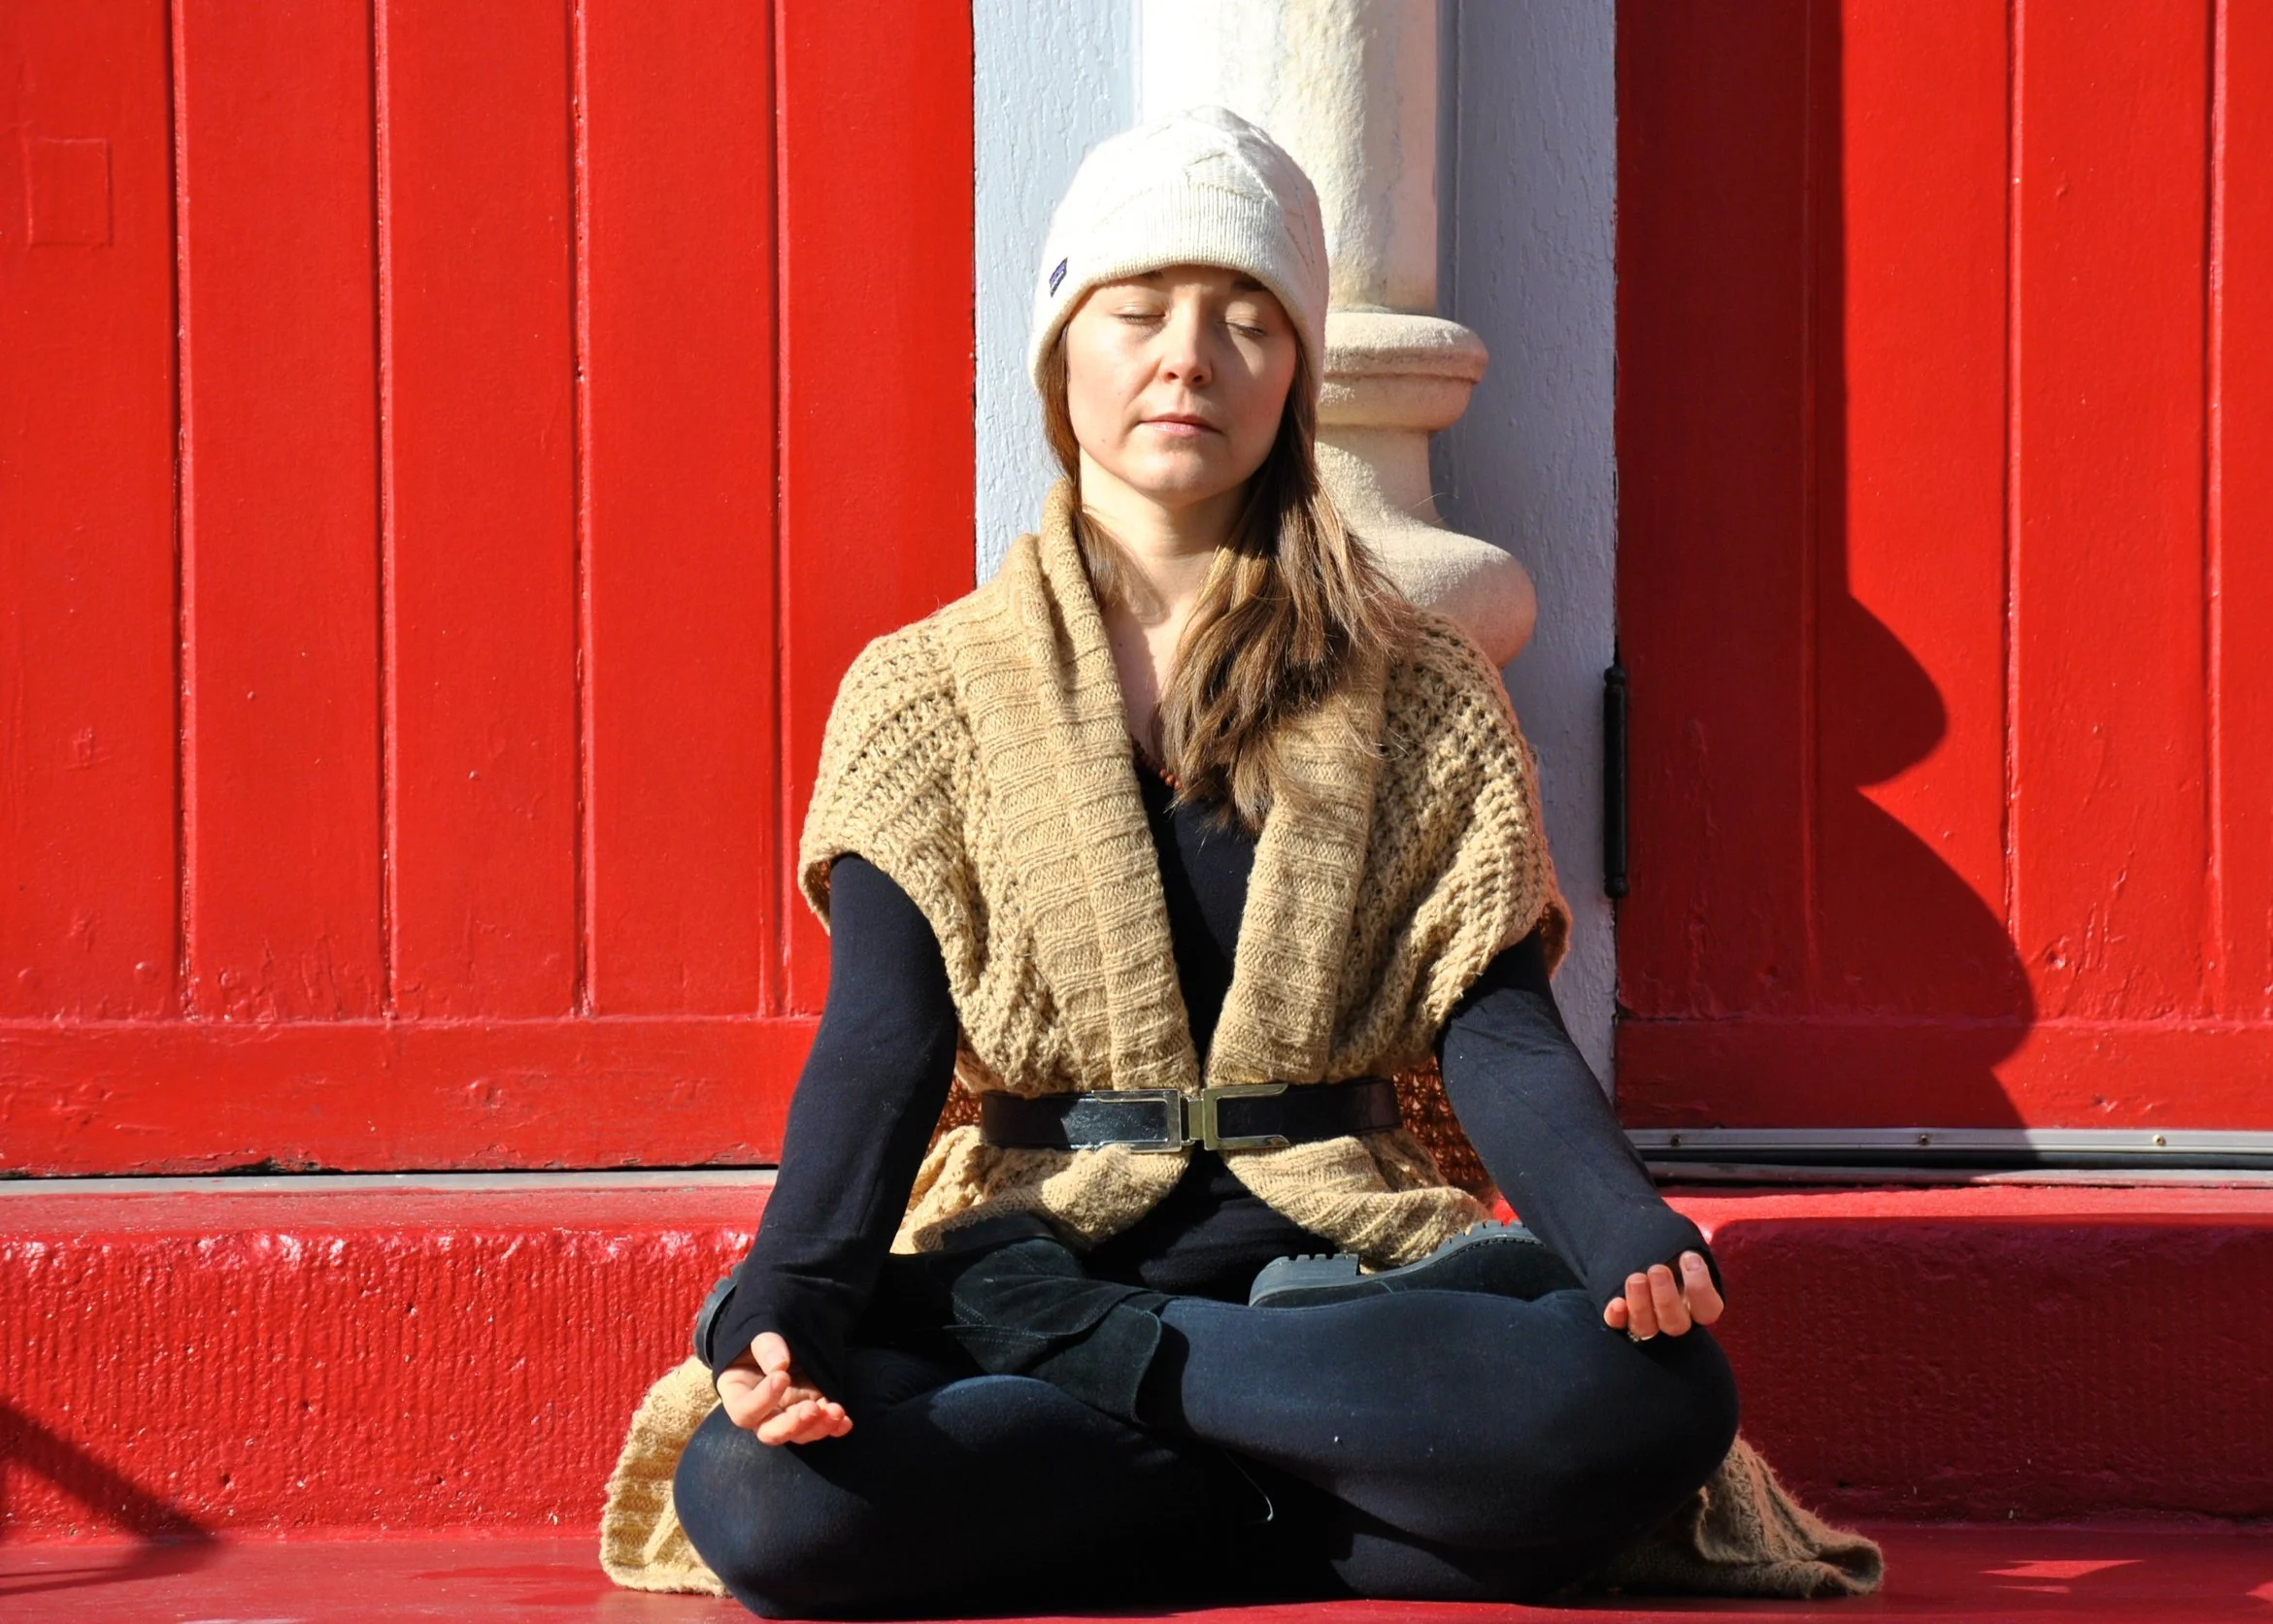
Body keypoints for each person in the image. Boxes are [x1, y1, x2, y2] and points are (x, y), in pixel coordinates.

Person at [614, 105, 1832, 1617]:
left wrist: (1618, 1226)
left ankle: (1115, 1400)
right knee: (764, 1497)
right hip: (1035, 1231)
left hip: (1330, 1274)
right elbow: (882, 1040)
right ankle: (1303, 1495)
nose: (1189, 356)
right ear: (1068, 354)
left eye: (1249, 322)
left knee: (1657, 1402)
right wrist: (791, 1291)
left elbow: (1494, 1023)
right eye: (1139, 313)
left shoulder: (1420, 684)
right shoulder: (920, 696)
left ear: (1299, 378)